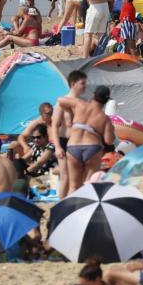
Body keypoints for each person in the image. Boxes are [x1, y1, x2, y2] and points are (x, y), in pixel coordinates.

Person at [55, 86, 115, 193]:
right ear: (106, 101)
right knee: (89, 184)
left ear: (93, 95)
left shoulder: (80, 104)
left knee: (73, 185)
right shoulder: (104, 118)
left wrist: (70, 109)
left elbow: (60, 100)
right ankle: (85, 209)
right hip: (92, 148)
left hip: (73, 146)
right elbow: (108, 141)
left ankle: (71, 209)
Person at [51, 70, 86, 199]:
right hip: (64, 141)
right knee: (65, 176)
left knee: (78, 176)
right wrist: (57, 147)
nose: (84, 86)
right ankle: (61, 206)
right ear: (73, 84)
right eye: (82, 83)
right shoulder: (62, 102)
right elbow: (55, 125)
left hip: (78, 143)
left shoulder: (83, 103)